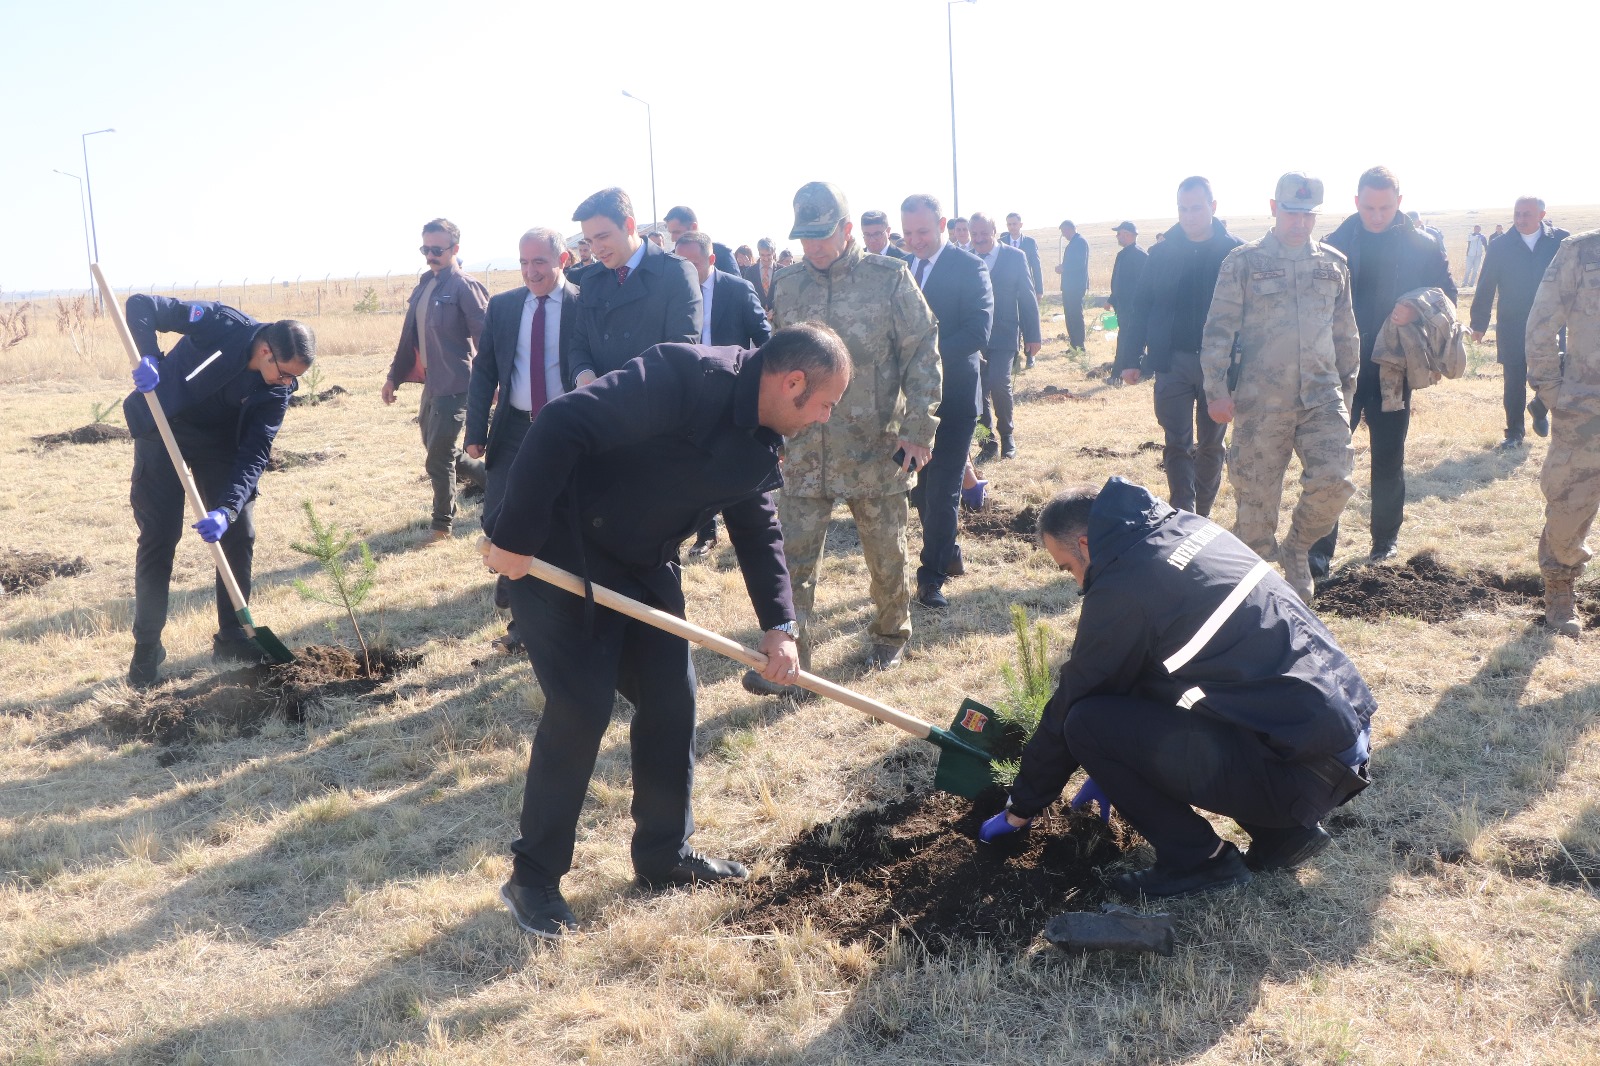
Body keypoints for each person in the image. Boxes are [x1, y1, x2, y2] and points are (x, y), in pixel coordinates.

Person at [484, 324, 853, 938]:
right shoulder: (685, 375)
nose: (823, 418)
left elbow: (757, 529)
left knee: (671, 698)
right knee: (581, 705)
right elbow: (560, 424)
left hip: (643, 565)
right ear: (793, 383)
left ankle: (663, 856)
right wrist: (516, 537)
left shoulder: (763, 440)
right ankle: (533, 878)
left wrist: (779, 626)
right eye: (824, 404)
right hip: (554, 551)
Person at [978, 479, 1375, 899]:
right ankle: (1282, 835)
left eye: (1069, 567)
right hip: (1340, 739)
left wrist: (1021, 807)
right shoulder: (1187, 528)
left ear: (1085, 545)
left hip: (1305, 773)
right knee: (1175, 681)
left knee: (1087, 724)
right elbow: (1155, 670)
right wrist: (1112, 769)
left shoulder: (1124, 589)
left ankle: (1201, 861)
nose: (1078, 584)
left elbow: (1074, 700)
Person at [747, 181, 941, 694]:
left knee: (886, 554)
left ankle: (889, 636)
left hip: (875, 447)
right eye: (806, 237)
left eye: (823, 236)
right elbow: (775, 363)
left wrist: (919, 429)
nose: (814, 248)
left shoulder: (889, 277)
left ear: (848, 229)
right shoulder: (788, 285)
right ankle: (793, 658)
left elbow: (921, 350)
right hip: (805, 451)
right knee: (792, 558)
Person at [123, 297, 316, 687]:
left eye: (294, 379)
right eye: (284, 374)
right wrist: (149, 358)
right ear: (265, 351)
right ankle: (147, 647)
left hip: (219, 445)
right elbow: (141, 305)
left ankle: (232, 638)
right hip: (163, 425)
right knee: (160, 537)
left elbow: (256, 452)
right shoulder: (220, 323)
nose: (288, 385)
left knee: (239, 532)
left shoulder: (276, 392)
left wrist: (226, 509)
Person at [1200, 171, 1359, 601]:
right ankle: (1252, 594)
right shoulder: (1244, 262)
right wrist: (1216, 389)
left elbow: (1346, 335)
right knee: (1255, 506)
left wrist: (1346, 397)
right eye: (1292, 213)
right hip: (1261, 402)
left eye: (1308, 215)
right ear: (1274, 208)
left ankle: (1297, 550)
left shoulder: (1333, 264)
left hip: (1322, 397)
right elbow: (1218, 330)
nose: (1300, 223)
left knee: (1335, 480)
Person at [1308, 167, 1456, 574]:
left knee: (1389, 459)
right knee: (1331, 461)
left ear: (1399, 203)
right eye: (1369, 207)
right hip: (1340, 372)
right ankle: (1319, 551)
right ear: (1356, 202)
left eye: (1385, 207)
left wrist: (1417, 307)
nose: (1377, 215)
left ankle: (1384, 543)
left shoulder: (1422, 246)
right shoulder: (1333, 244)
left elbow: (1448, 295)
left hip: (1393, 372)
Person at [464, 227, 579, 654]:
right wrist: (476, 430)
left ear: (562, 260)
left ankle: (525, 623)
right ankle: (508, 574)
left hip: (564, 428)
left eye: (540, 262)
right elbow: (486, 371)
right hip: (513, 428)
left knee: (555, 520)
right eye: (524, 262)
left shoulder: (583, 305)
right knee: (498, 514)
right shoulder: (505, 306)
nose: (531, 271)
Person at [1115, 176, 1244, 518]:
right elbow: (1140, 307)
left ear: (1213, 207)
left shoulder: (1236, 253)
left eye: (1197, 208)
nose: (1189, 216)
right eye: (1183, 209)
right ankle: (1182, 513)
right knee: (1176, 442)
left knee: (1211, 444)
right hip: (1172, 362)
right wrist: (1130, 358)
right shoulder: (1161, 253)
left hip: (1218, 367)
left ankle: (1203, 514)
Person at [901, 192, 993, 610]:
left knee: (941, 490)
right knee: (920, 490)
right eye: (908, 233)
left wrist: (926, 359)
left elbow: (978, 332)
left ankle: (931, 577)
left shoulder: (969, 266)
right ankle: (949, 550)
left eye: (922, 231)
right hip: (909, 404)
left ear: (940, 225)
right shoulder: (901, 269)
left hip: (953, 400)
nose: (915, 240)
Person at [382, 219, 490, 540]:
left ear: (455, 249)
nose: (430, 255)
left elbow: (487, 340)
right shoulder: (425, 284)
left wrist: (494, 382)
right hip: (433, 383)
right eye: (425, 248)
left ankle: (442, 526)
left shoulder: (465, 287)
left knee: (439, 456)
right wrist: (393, 378)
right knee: (442, 451)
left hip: (458, 385)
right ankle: (502, 485)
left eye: (437, 249)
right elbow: (408, 338)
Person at [675, 230, 774, 557]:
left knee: (733, 462)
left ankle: (749, 528)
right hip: (686, 391)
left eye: (694, 263)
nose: (687, 269)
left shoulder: (737, 290)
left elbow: (765, 339)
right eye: (681, 263)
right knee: (691, 464)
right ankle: (705, 533)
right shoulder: (672, 292)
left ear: (712, 260)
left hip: (731, 389)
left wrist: (758, 383)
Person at [1527, 229, 1600, 635]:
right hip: (1588, 409)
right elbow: (1541, 321)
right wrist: (1551, 390)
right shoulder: (1581, 251)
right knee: (1570, 503)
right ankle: (1559, 589)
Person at [567, 187, 701, 383]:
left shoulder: (677, 273)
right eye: (589, 241)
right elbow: (579, 343)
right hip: (598, 405)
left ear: (629, 225)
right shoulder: (591, 280)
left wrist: (617, 390)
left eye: (603, 237)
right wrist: (583, 375)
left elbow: (680, 352)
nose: (596, 249)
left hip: (653, 405)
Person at [1470, 197, 1569, 448]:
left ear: (1542, 215)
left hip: (1552, 322)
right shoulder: (1501, 245)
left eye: (1527, 214)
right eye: (1517, 214)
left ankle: (1540, 406)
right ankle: (1514, 433)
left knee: (1558, 371)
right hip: (1513, 322)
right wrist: (1479, 323)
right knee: (1514, 377)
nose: (1521, 219)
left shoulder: (1560, 241)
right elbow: (1486, 284)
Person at [970, 211, 1041, 461]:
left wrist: (1033, 335)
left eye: (984, 233)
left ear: (994, 231)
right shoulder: (966, 258)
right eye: (974, 234)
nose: (979, 238)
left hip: (1005, 333)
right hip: (974, 337)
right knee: (976, 389)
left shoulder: (1014, 257)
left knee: (1000, 382)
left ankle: (1007, 435)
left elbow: (1027, 297)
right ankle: (986, 443)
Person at [663, 204, 738, 275]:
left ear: (693, 227)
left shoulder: (722, 254)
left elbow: (734, 287)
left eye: (677, 232)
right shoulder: (671, 258)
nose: (672, 239)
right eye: (671, 233)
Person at [1055, 219, 1089, 350]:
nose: (1063, 235)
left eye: (1064, 231)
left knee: (1075, 314)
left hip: (1076, 285)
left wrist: (1064, 268)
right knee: (1069, 315)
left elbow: (1079, 263)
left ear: (1070, 229)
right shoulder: (1074, 243)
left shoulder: (1080, 242)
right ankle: (1073, 344)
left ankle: (1079, 345)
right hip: (1069, 285)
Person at [1106, 221, 1147, 318]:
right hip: (1122, 308)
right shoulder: (1122, 254)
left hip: (1133, 310)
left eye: (1118, 233)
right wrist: (1111, 300)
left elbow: (1145, 284)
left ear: (1126, 234)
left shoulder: (1140, 256)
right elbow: (1118, 282)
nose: (1117, 236)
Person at [1001, 212, 1044, 296]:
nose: (1012, 227)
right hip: (1006, 289)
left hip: (1025, 286)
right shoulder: (1001, 242)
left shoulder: (1030, 242)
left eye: (1014, 224)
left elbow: (1036, 267)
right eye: (1009, 224)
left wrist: (1039, 290)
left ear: (1021, 224)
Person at [744, 237, 781, 310]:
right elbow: (746, 296)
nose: (766, 259)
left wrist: (775, 311)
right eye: (762, 255)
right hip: (756, 316)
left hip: (778, 317)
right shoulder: (750, 272)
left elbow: (786, 296)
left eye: (769, 255)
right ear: (758, 253)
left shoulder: (782, 271)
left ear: (774, 253)